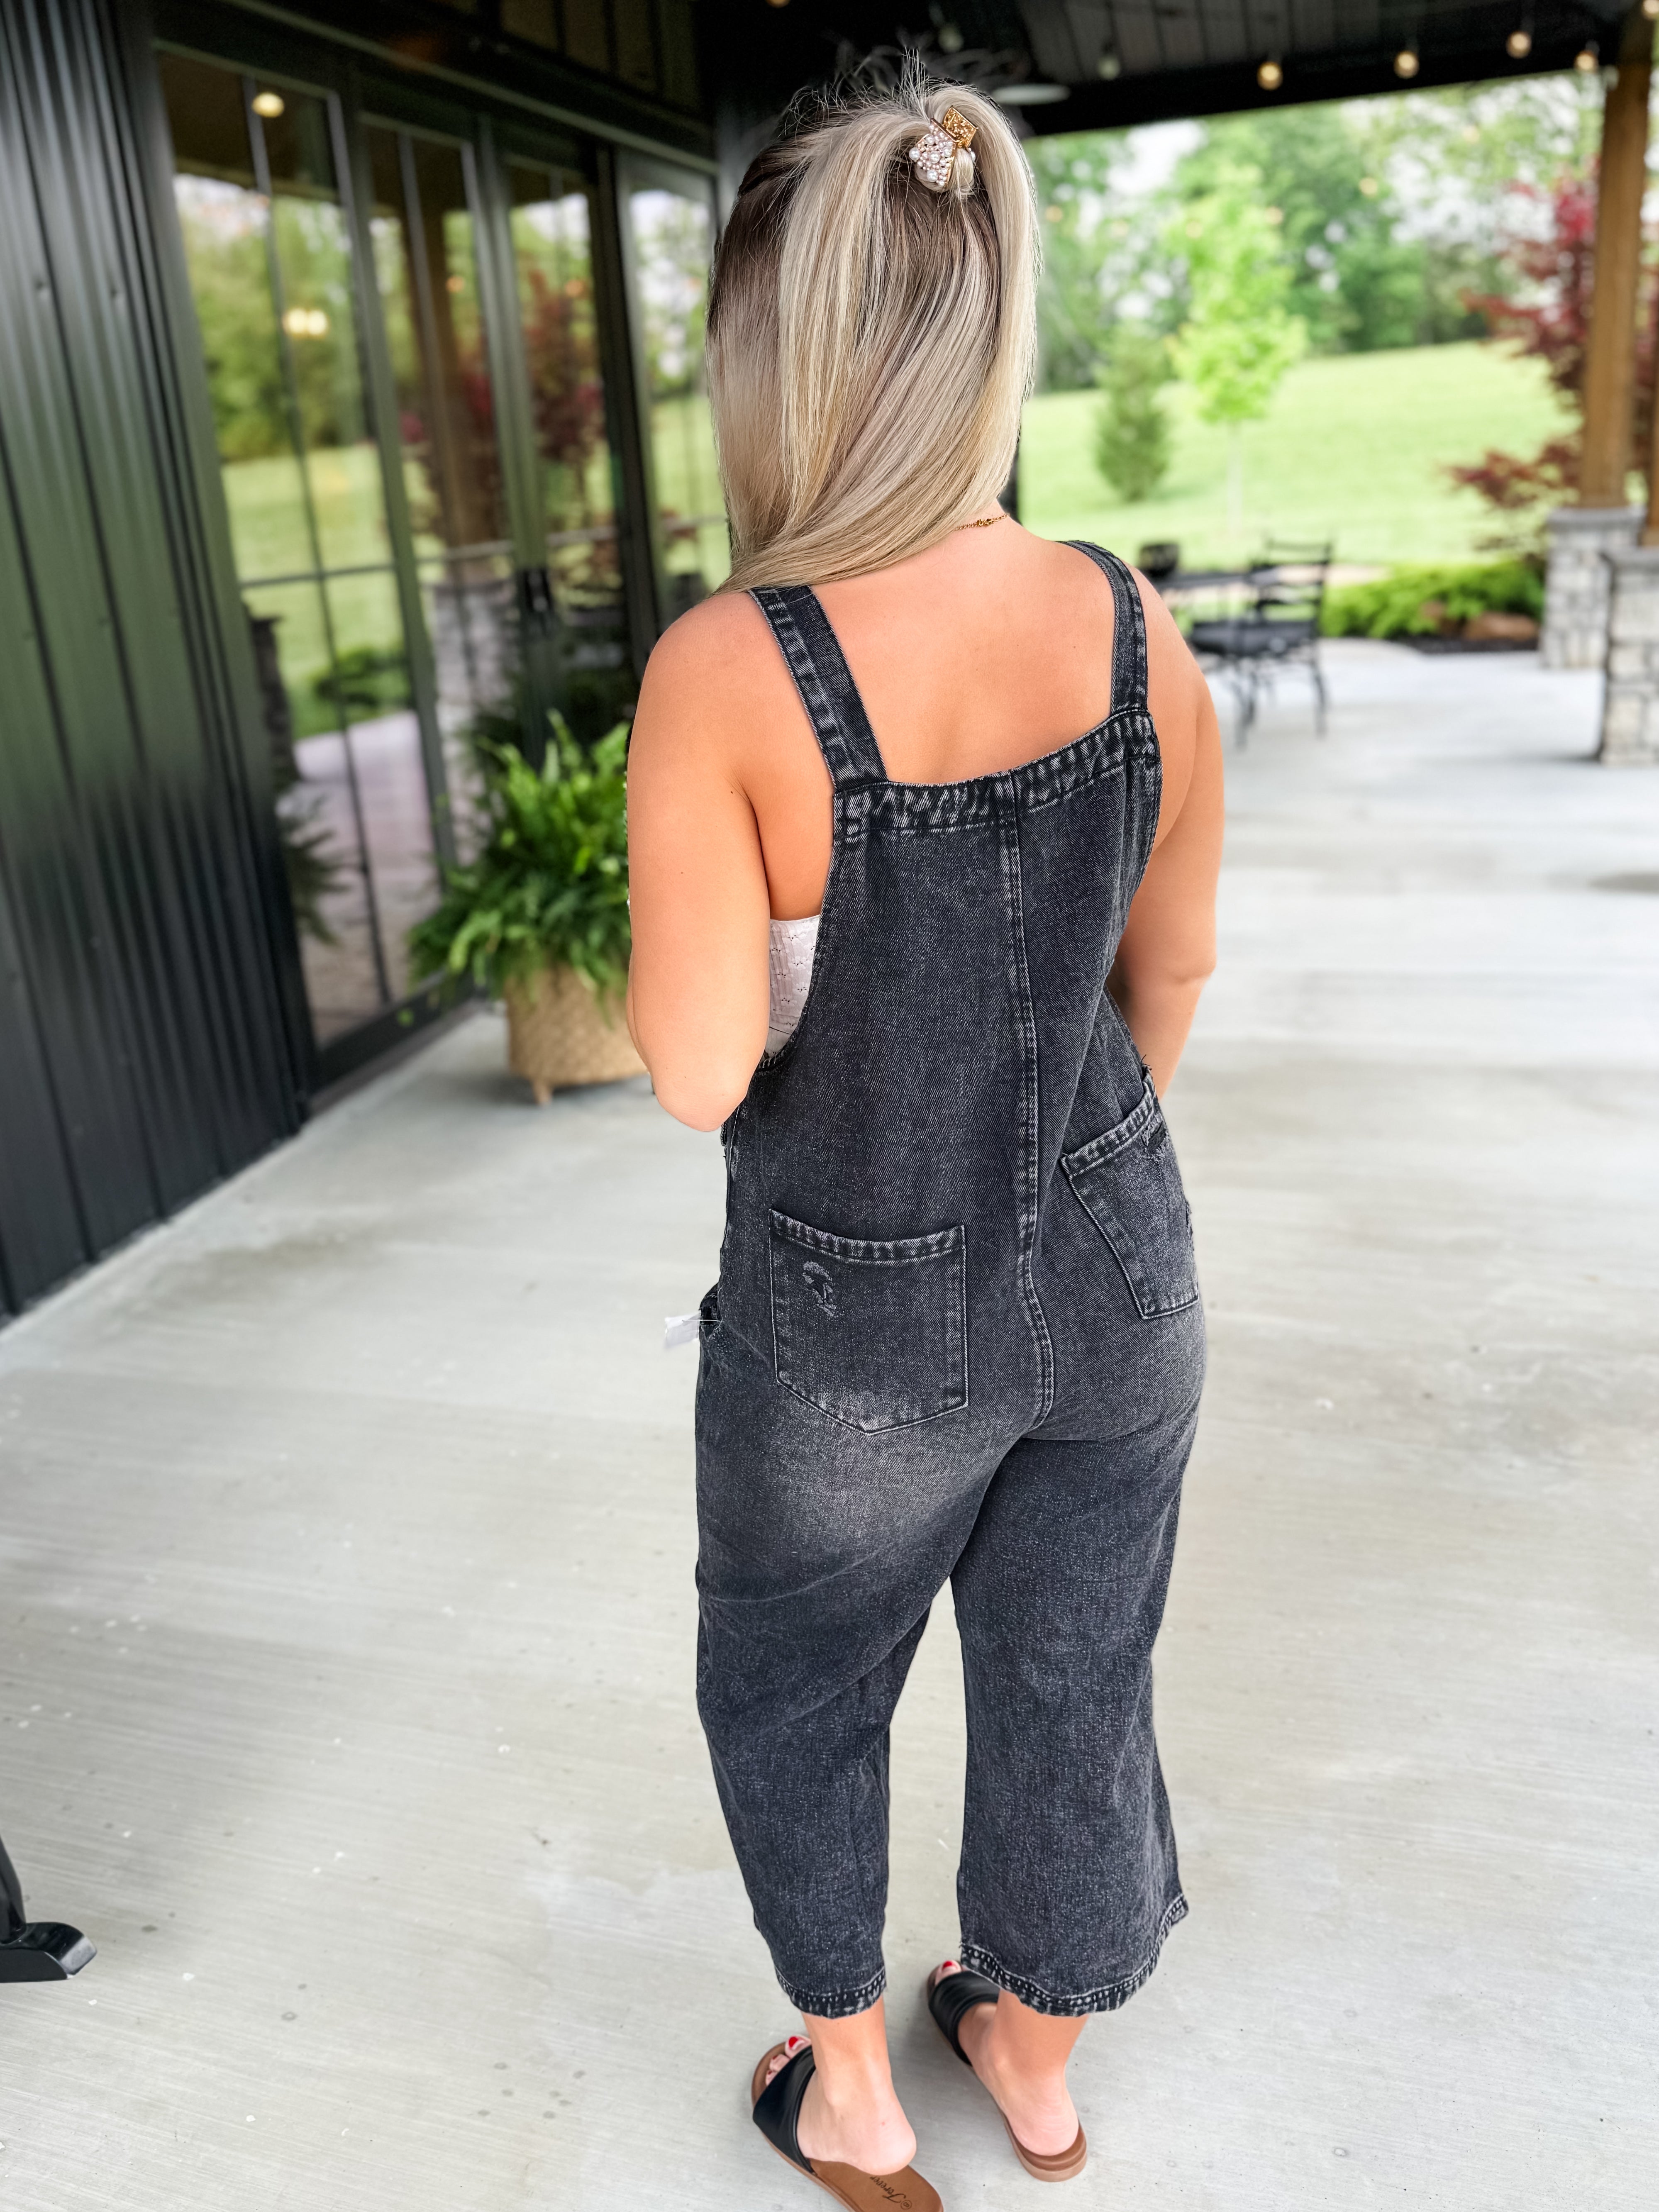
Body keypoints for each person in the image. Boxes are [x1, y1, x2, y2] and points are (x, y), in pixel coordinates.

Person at [626, 71, 1222, 2212]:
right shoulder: (1132, 624)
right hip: (1117, 1266)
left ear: (773, 360)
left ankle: (859, 2107)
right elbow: (1171, 973)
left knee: (799, 1684)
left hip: (851, 1322)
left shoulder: (727, 668)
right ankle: (1036, 2060)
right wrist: (1056, 1157)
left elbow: (698, 1069)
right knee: (1077, 1671)